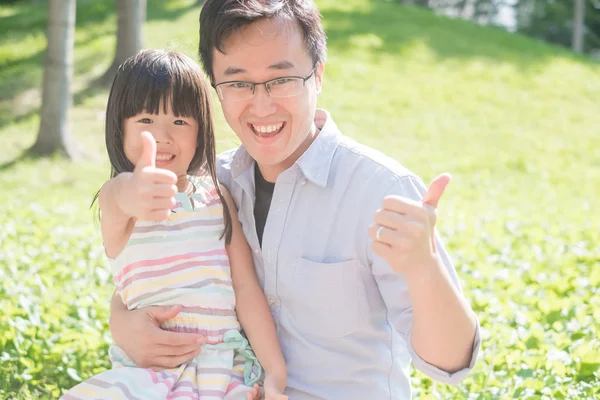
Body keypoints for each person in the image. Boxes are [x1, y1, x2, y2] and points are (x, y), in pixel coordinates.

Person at [110, 1, 481, 399]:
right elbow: (155, 270)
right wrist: (122, 322)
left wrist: (424, 270)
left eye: (281, 79)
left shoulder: (380, 190)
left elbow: (450, 363)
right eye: (238, 83)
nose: (262, 105)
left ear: (317, 75)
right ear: (214, 90)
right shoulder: (210, 187)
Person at [62, 49, 287, 400]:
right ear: (119, 126)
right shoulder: (118, 201)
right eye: (145, 121)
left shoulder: (218, 199)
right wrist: (136, 189)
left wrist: (275, 370)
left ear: (200, 132)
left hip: (223, 370)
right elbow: (120, 197)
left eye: (180, 122)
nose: (163, 136)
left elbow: (245, 289)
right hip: (149, 375)